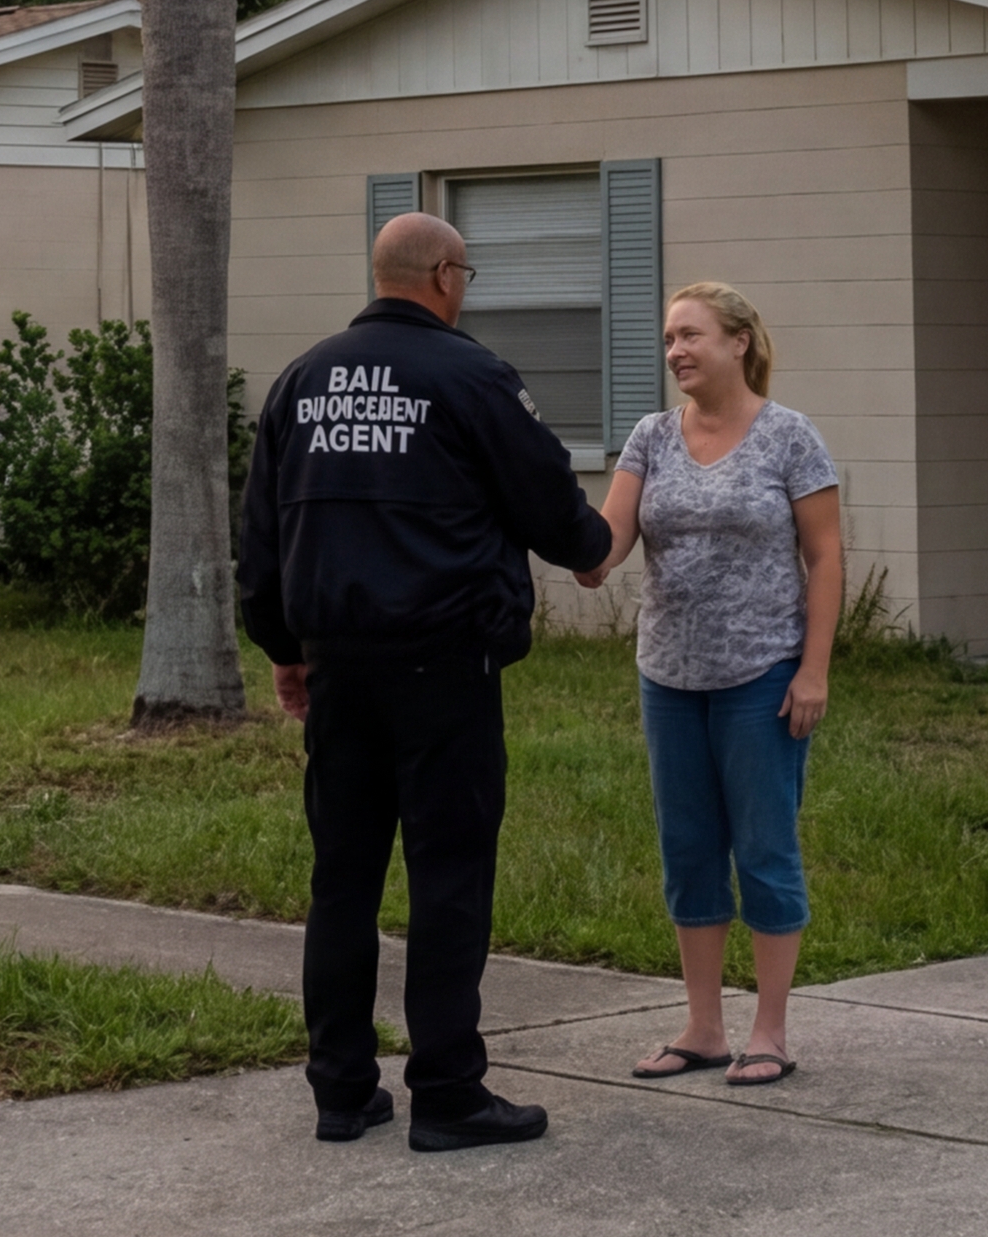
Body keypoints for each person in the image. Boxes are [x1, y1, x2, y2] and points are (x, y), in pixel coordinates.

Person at [239, 210, 611, 1151]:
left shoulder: (302, 380)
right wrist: (592, 547)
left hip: (339, 670)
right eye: (466, 275)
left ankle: (341, 1091)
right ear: (444, 276)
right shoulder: (471, 376)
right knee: (448, 877)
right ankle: (447, 1093)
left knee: (343, 879)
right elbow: (546, 496)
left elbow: (262, 533)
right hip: (446, 666)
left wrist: (283, 648)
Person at [578, 280, 844, 1088]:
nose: (675, 352)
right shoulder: (651, 437)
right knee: (688, 850)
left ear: (738, 341)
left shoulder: (789, 436)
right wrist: (566, 540)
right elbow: (605, 546)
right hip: (668, 676)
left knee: (764, 847)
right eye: (669, 339)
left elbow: (825, 557)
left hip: (762, 675)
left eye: (690, 335)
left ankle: (770, 1031)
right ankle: (703, 1028)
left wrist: (813, 670)